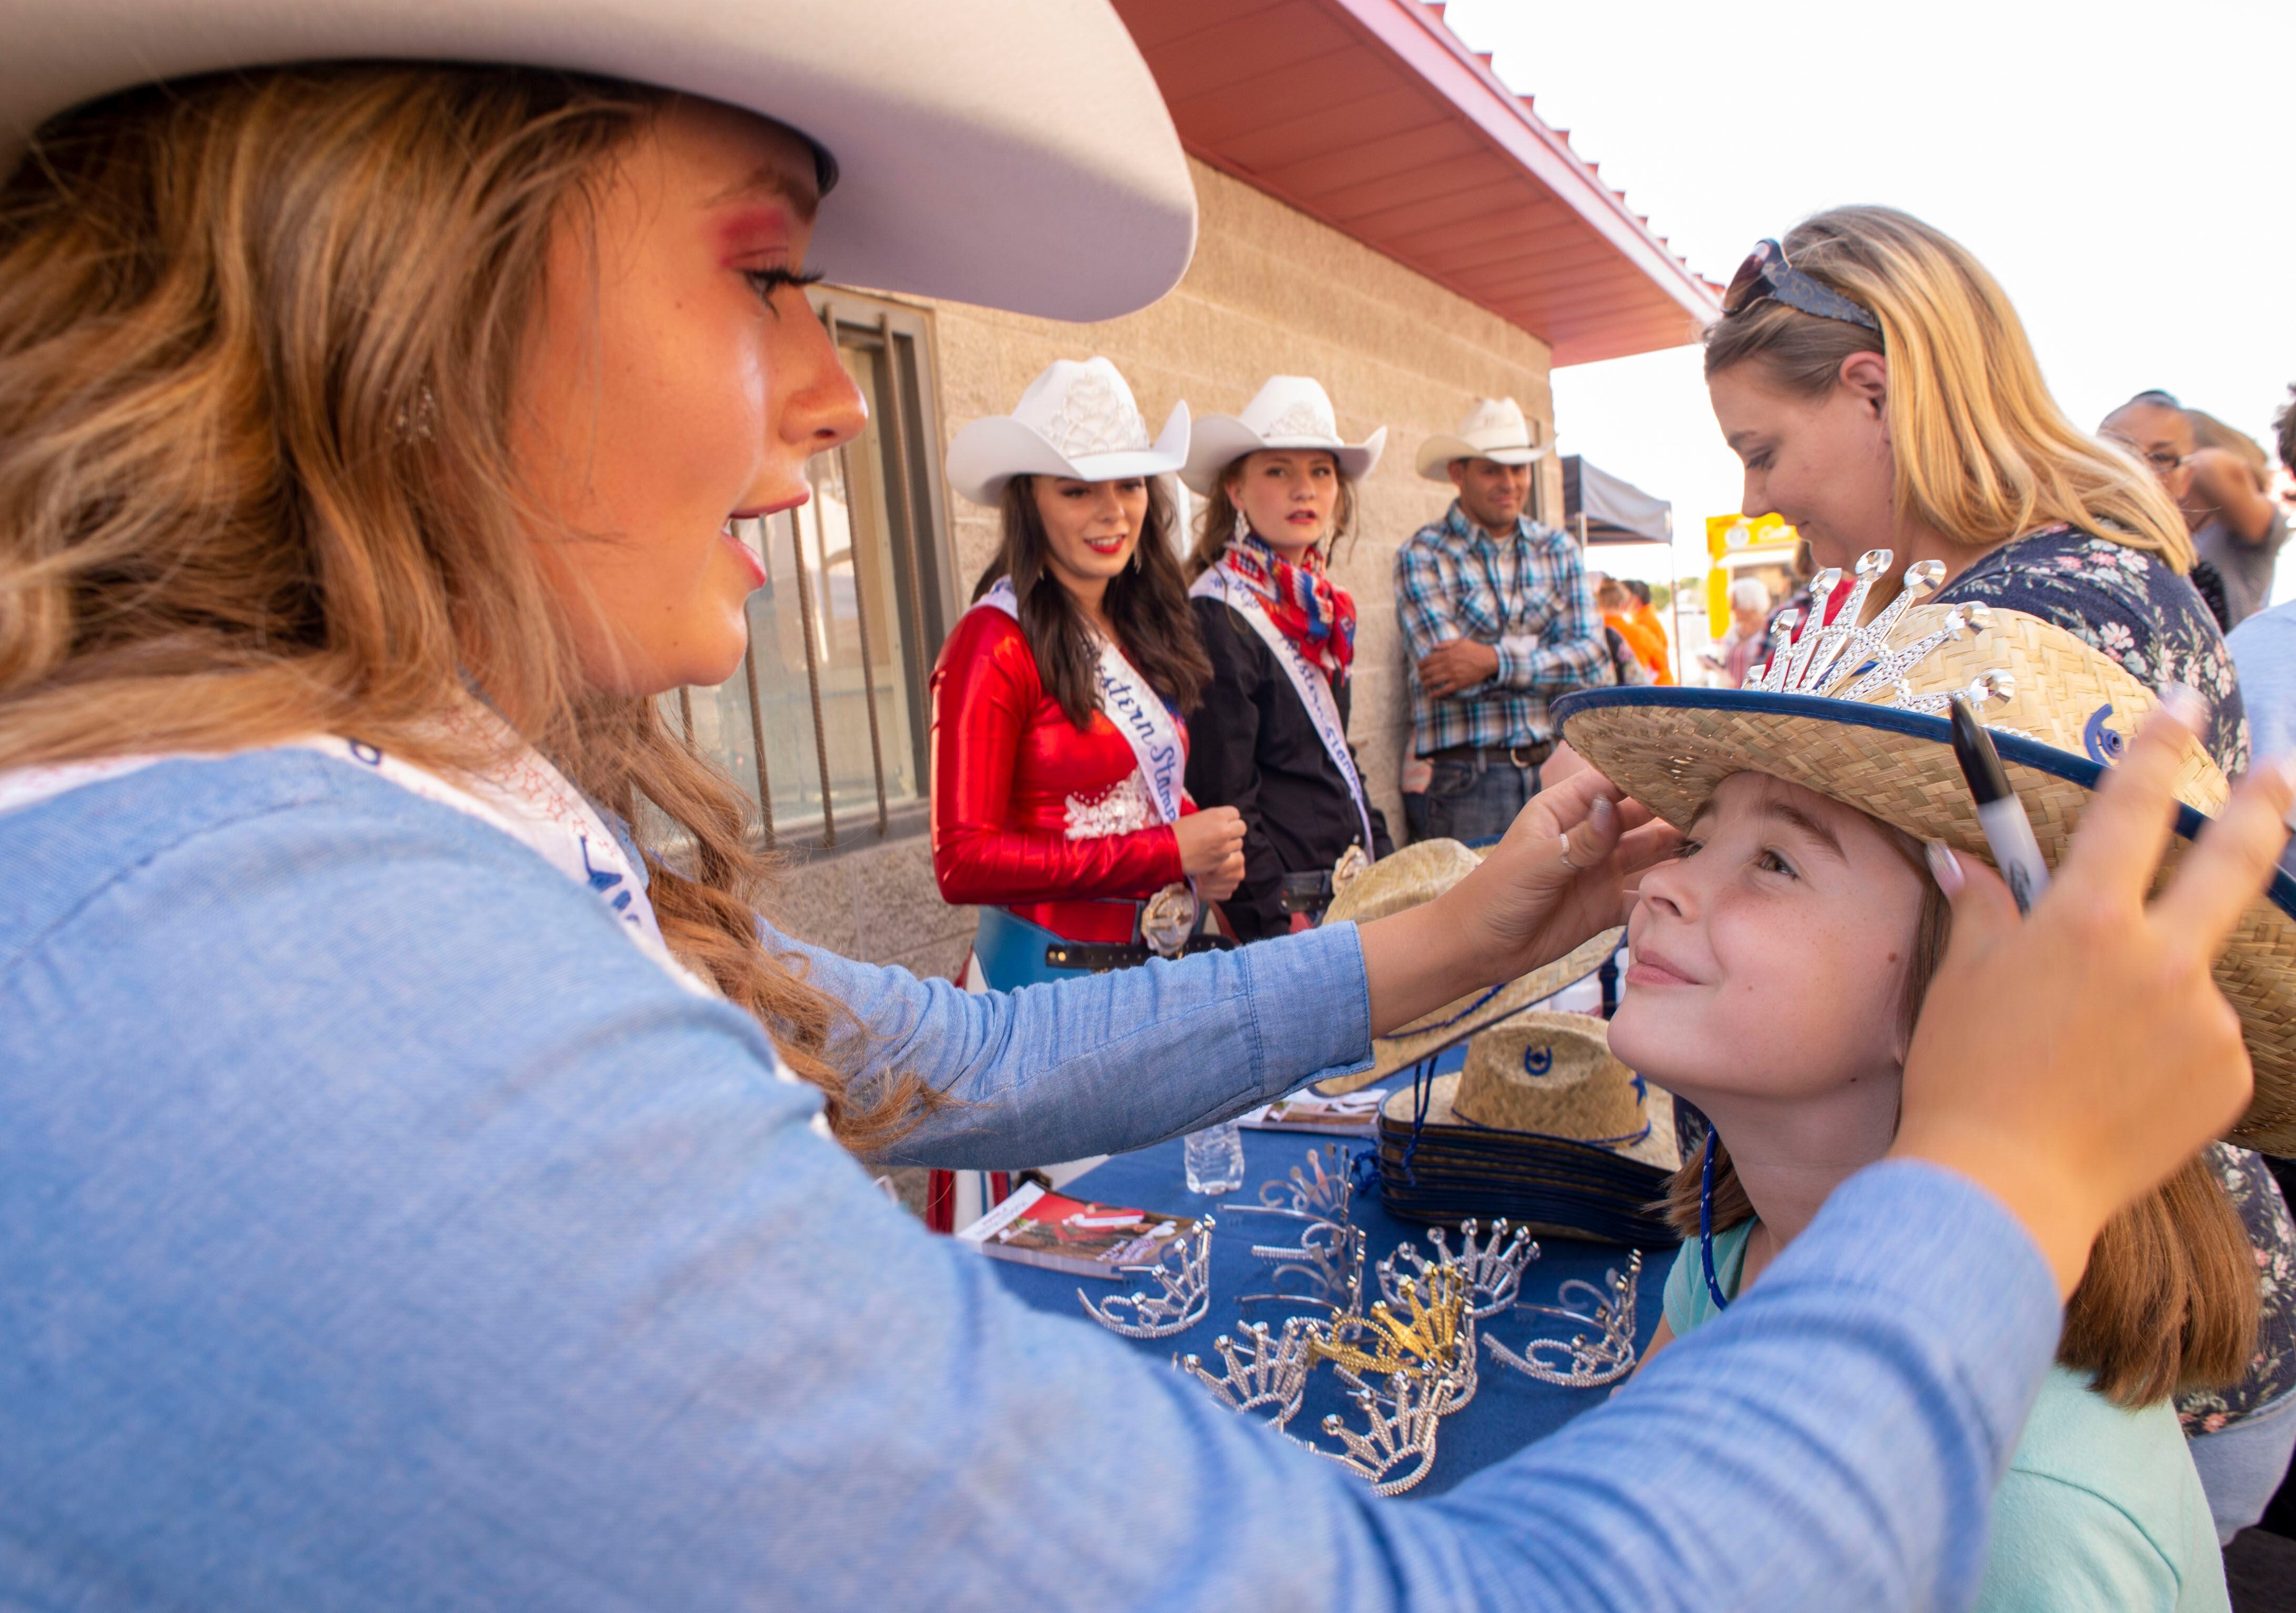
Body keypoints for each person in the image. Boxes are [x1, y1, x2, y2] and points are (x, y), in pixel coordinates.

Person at [0, 13, 2291, 1606]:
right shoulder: (299, 979)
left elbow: (950, 1063)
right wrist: (1989, 1173)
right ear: (418, 284)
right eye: (769, 274)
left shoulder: (312, 840)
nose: (826, 395)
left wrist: (1468, 931)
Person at [1701, 207, 2296, 1537]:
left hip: (2111, 1332)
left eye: (1762, 450)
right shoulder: (1882, 600)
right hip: (1995, 1276)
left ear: (1871, 389)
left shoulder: (2059, 616)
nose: (1755, 499)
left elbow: (1977, 993)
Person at [1568, 610, 2277, 1601]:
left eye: (1773, 862)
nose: (1661, 882)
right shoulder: (1745, 1250)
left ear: (1970, 989)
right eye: (1695, 839)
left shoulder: (2024, 1512)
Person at [932, 356, 1243, 992]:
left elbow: (1139, 783)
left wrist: (1205, 851)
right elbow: (961, 862)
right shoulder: (990, 640)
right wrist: (1169, 851)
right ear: (1030, 504)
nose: (1113, 512)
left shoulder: (1141, 626)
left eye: (1129, 484)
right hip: (1041, 981)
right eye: (1077, 491)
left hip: (1152, 970)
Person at [1178, 376, 1392, 940]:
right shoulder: (1217, 613)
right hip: (1288, 913)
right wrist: (1274, 924)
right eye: (1278, 470)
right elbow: (1225, 798)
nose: (1305, 490)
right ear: (1235, 490)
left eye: (1320, 471)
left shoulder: (1317, 610)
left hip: (1344, 895)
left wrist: (1391, 864)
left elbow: (1333, 761)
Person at [1396, 396, 1607, 841]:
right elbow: (1450, 675)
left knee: (1568, 909)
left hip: (1558, 765)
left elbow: (1591, 660)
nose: (1509, 482)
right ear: (1459, 473)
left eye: (1519, 468)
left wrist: (1491, 660)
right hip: (1468, 781)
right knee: (1480, 911)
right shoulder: (1422, 553)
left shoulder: (1559, 548)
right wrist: (1543, 654)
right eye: (1492, 469)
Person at [2101, 390, 2288, 631]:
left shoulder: (2246, 532)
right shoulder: (2145, 534)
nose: (2143, 469)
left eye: (2162, 457)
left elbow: (2213, 465)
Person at [1698, 577, 1772, 688]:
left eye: (1734, 603)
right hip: (1733, 698)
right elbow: (1726, 664)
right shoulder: (1733, 631)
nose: (1730, 608)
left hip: (1758, 697)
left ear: (1748, 602)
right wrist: (1714, 666)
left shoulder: (1768, 630)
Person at [1596, 576, 1669, 685]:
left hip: (1598, 699)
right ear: (1624, 605)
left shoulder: (1590, 636)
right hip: (1633, 697)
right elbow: (1662, 663)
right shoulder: (1641, 633)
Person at [1622, 578, 1676, 684]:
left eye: (1625, 597)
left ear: (1637, 600)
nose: (1622, 601)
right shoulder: (1646, 619)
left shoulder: (1644, 624)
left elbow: (1658, 662)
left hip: (1658, 689)